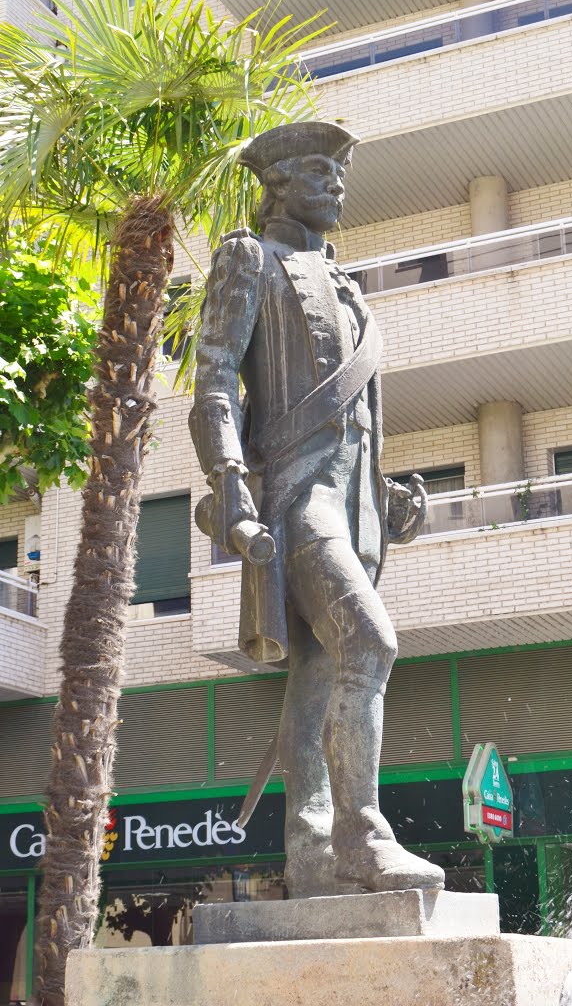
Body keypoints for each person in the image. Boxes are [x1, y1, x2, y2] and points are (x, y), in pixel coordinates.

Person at [189, 121, 445, 897]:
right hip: (295, 500)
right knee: (369, 644)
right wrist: (232, 489)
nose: (336, 183)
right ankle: (363, 837)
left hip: (353, 504)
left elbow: (354, 418)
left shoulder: (346, 285)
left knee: (316, 678)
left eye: (340, 171)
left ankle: (309, 852)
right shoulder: (248, 259)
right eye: (315, 170)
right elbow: (212, 385)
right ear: (273, 183)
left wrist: (387, 491)